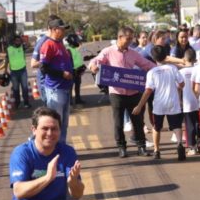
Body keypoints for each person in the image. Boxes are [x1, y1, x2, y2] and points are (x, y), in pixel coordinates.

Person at [7, 107, 98, 200]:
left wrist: (73, 183)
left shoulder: (67, 152)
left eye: (54, 129)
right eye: (45, 128)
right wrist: (47, 178)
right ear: (34, 130)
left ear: (60, 131)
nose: (50, 133)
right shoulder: (22, 153)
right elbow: (19, 191)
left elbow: (77, 194)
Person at [89, 27, 156, 158]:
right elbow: (95, 61)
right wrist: (93, 67)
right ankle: (121, 147)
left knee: (138, 121)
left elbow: (147, 64)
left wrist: (160, 70)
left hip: (134, 92)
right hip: (116, 93)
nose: (130, 41)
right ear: (120, 37)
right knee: (118, 122)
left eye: (131, 39)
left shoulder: (133, 53)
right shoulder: (108, 51)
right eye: (128, 38)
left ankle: (141, 147)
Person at [133, 45, 185, 160]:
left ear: (153, 58)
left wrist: (139, 105)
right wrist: (177, 88)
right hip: (173, 102)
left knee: (157, 127)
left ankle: (157, 151)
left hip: (158, 104)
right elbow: (182, 84)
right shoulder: (173, 68)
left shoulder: (152, 72)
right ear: (165, 56)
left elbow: (148, 91)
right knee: (176, 126)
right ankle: (179, 144)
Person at [39, 17, 74, 143]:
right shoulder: (48, 45)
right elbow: (43, 68)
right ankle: (52, 150)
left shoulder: (60, 44)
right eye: (61, 29)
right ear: (54, 30)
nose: (64, 31)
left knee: (63, 124)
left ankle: (61, 148)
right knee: (54, 124)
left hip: (64, 88)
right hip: (55, 89)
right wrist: (62, 73)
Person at [179, 49, 200, 155]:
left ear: (184, 59)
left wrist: (179, 100)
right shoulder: (199, 70)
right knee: (199, 123)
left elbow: (178, 87)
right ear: (195, 59)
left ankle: (192, 147)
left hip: (187, 102)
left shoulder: (181, 72)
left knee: (189, 125)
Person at [5, 36, 31, 109]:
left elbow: (29, 45)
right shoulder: (9, 49)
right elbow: (7, 59)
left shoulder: (22, 47)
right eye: (17, 41)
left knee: (25, 88)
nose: (18, 42)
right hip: (13, 72)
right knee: (15, 89)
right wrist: (5, 70)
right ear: (14, 41)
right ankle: (17, 103)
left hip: (23, 70)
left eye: (19, 41)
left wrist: (25, 40)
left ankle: (26, 103)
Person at [64, 34, 86, 105]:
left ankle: (78, 99)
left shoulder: (74, 49)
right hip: (72, 71)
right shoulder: (68, 50)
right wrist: (72, 70)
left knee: (77, 85)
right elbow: (69, 61)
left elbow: (77, 59)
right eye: (77, 40)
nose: (78, 42)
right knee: (70, 86)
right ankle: (70, 101)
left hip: (77, 70)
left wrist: (82, 66)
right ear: (72, 41)